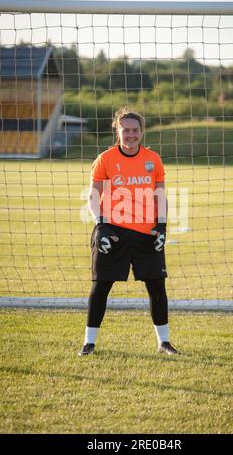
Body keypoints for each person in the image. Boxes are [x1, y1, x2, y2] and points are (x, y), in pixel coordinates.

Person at [78, 107, 179, 356]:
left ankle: (164, 342)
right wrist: (100, 223)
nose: (131, 135)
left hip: (147, 233)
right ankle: (89, 343)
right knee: (101, 286)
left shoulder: (153, 159)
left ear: (142, 131)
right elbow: (93, 195)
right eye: (126, 130)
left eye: (135, 130)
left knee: (157, 287)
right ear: (117, 130)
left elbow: (160, 194)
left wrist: (162, 225)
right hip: (113, 231)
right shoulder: (105, 159)